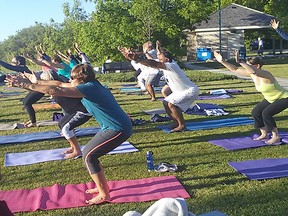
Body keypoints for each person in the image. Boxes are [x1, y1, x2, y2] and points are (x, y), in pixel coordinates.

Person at [6, 63, 133, 204]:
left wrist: (27, 85)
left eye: (72, 77)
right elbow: (59, 83)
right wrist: (35, 81)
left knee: (89, 156)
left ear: (81, 78)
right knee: (90, 155)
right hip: (111, 127)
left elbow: (56, 89)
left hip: (118, 128)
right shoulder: (90, 85)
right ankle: (101, 187)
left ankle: (104, 195)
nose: (70, 80)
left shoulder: (89, 88)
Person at [119, 41, 199, 132]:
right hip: (180, 91)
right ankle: (175, 122)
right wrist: (135, 59)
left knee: (172, 104)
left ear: (167, 60)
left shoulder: (171, 65)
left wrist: (138, 59)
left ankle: (182, 125)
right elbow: (150, 61)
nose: (159, 59)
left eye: (160, 58)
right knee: (165, 102)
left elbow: (154, 64)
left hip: (190, 91)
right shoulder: (165, 62)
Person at [214, 50, 288, 145]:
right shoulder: (252, 74)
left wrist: (241, 62)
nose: (246, 67)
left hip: (284, 98)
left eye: (248, 65)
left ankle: (276, 137)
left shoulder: (266, 74)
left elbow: (254, 71)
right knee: (256, 112)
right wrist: (222, 61)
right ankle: (264, 134)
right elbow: (235, 70)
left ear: (257, 66)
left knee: (266, 113)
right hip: (270, 98)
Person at [0, 56, 45, 127]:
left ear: (18, 63)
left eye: (13, 62)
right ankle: (32, 120)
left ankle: (33, 123)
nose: (12, 64)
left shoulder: (22, 68)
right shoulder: (22, 69)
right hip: (35, 88)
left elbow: (9, 67)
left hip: (39, 89)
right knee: (25, 102)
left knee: (27, 103)